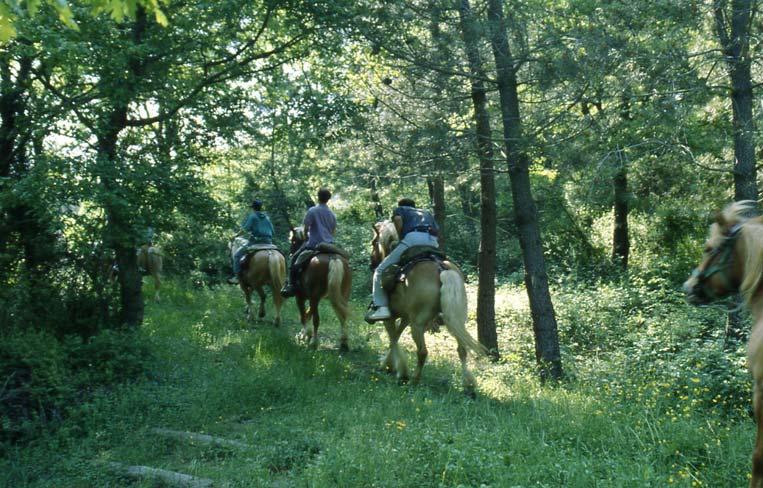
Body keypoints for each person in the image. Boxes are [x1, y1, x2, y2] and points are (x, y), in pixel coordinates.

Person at [365, 198, 439, 322]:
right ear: (414, 205)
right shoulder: (426, 212)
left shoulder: (400, 209)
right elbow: (437, 230)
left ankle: (381, 307)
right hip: (432, 240)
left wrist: (401, 238)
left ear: (401, 205)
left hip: (412, 238)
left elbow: (398, 220)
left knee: (379, 270)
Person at [280, 188, 336, 297]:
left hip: (313, 245)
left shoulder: (312, 211)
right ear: (328, 199)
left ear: (318, 197)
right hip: (329, 245)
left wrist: (306, 237)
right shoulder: (332, 214)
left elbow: (306, 228)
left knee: (294, 260)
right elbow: (333, 231)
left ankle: (291, 285)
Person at [228, 199, 275, 285]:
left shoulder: (253, 216)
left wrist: (235, 236)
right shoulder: (267, 217)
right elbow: (273, 231)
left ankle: (237, 277)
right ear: (261, 208)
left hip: (256, 242)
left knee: (237, 255)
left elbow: (245, 229)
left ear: (253, 208)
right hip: (269, 242)